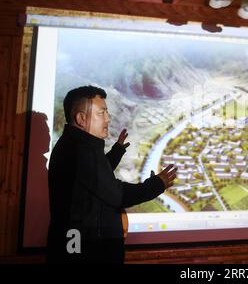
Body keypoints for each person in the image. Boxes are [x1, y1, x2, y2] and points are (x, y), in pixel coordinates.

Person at [46, 85, 177, 264]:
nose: (108, 118)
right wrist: (156, 185)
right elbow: (116, 195)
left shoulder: (74, 145)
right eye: (102, 113)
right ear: (81, 118)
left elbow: (93, 180)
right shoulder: (83, 149)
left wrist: (116, 151)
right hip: (88, 252)